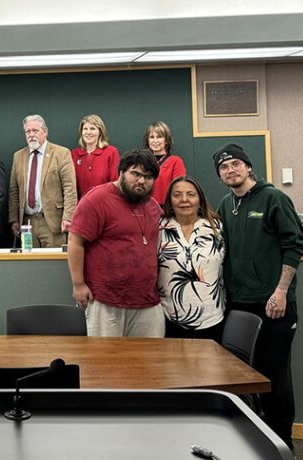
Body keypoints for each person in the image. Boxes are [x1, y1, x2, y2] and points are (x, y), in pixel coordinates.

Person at [214, 143, 303, 448]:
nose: (231, 170)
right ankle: (254, 441)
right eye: (224, 167)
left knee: (274, 377)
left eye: (236, 164)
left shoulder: (273, 198)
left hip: (274, 305)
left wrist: (280, 291)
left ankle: (282, 445)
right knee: (244, 377)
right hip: (240, 305)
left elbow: (294, 245)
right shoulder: (226, 204)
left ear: (248, 167)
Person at [67, 149, 164, 337]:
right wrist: (78, 284)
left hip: (147, 301)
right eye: (135, 174)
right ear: (121, 172)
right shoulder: (97, 199)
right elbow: (75, 241)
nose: (142, 181)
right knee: (106, 363)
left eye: (148, 176)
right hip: (105, 301)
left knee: (151, 363)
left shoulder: (153, 207)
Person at [157, 176, 226, 341]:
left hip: (212, 318)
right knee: (173, 367)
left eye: (191, 194)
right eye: (177, 195)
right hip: (170, 319)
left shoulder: (216, 227)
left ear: (200, 199)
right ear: (170, 200)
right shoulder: (159, 227)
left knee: (210, 367)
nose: (184, 200)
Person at [8, 114, 77, 248]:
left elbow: (70, 189)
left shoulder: (61, 153)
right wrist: (13, 219)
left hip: (52, 222)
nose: (31, 134)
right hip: (26, 223)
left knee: (53, 265)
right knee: (30, 266)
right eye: (28, 131)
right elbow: (13, 190)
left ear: (45, 132)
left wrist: (68, 217)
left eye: (35, 130)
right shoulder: (18, 156)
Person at [71, 114, 120, 200]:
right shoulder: (74, 154)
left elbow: (115, 183)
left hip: (104, 205)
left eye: (92, 128)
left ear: (100, 132)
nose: (88, 132)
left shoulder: (111, 152)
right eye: (85, 129)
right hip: (81, 207)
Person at [144, 120, 186, 206]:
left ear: (166, 140)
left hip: (167, 210)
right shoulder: (142, 161)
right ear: (147, 140)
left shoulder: (175, 161)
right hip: (143, 209)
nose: (155, 141)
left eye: (159, 137)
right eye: (152, 137)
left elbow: (179, 188)